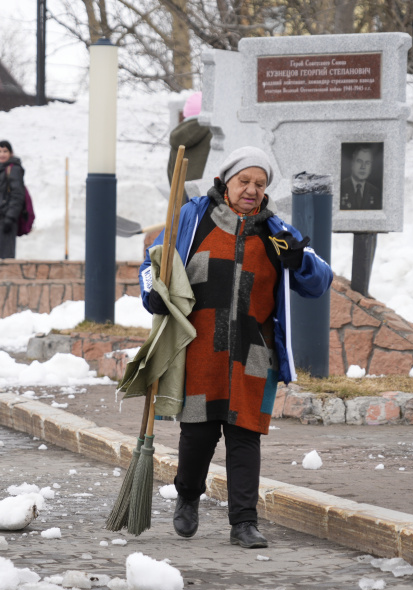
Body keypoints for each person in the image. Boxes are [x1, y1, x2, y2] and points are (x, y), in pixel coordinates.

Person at [139, 146, 333, 548]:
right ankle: (188, 497)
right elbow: (151, 265)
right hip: (201, 344)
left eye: (260, 184)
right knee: (198, 433)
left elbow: (320, 281)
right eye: (244, 181)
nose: (251, 189)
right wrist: (152, 294)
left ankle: (244, 523)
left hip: (253, 349)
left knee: (245, 437)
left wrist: (299, 261)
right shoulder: (193, 217)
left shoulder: (276, 231)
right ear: (225, 182)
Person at [0, 140, 25, 259]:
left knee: (5, 256)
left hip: (5, 217)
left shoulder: (13, 169)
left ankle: (6, 277)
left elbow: (17, 194)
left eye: (5, 151)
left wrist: (10, 217)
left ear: (11, 153)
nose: (1, 154)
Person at [167, 92, 212, 187]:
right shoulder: (213, 134)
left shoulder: (176, 136)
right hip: (205, 198)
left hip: (181, 199)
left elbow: (170, 172)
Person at [340, 145, 381, 210]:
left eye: (367, 163)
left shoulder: (375, 193)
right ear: (352, 163)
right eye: (359, 161)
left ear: (371, 167)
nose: (363, 167)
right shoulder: (340, 187)